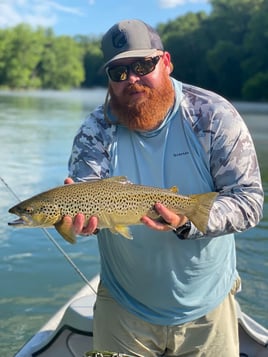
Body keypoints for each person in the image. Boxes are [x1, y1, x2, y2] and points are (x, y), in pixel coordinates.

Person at [64, 19, 264, 357]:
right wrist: (78, 223)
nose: (133, 80)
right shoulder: (95, 131)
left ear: (166, 62)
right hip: (124, 306)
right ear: (110, 80)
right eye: (119, 73)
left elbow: (249, 201)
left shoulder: (212, 116)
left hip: (207, 307)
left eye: (143, 65)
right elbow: (85, 197)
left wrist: (187, 221)